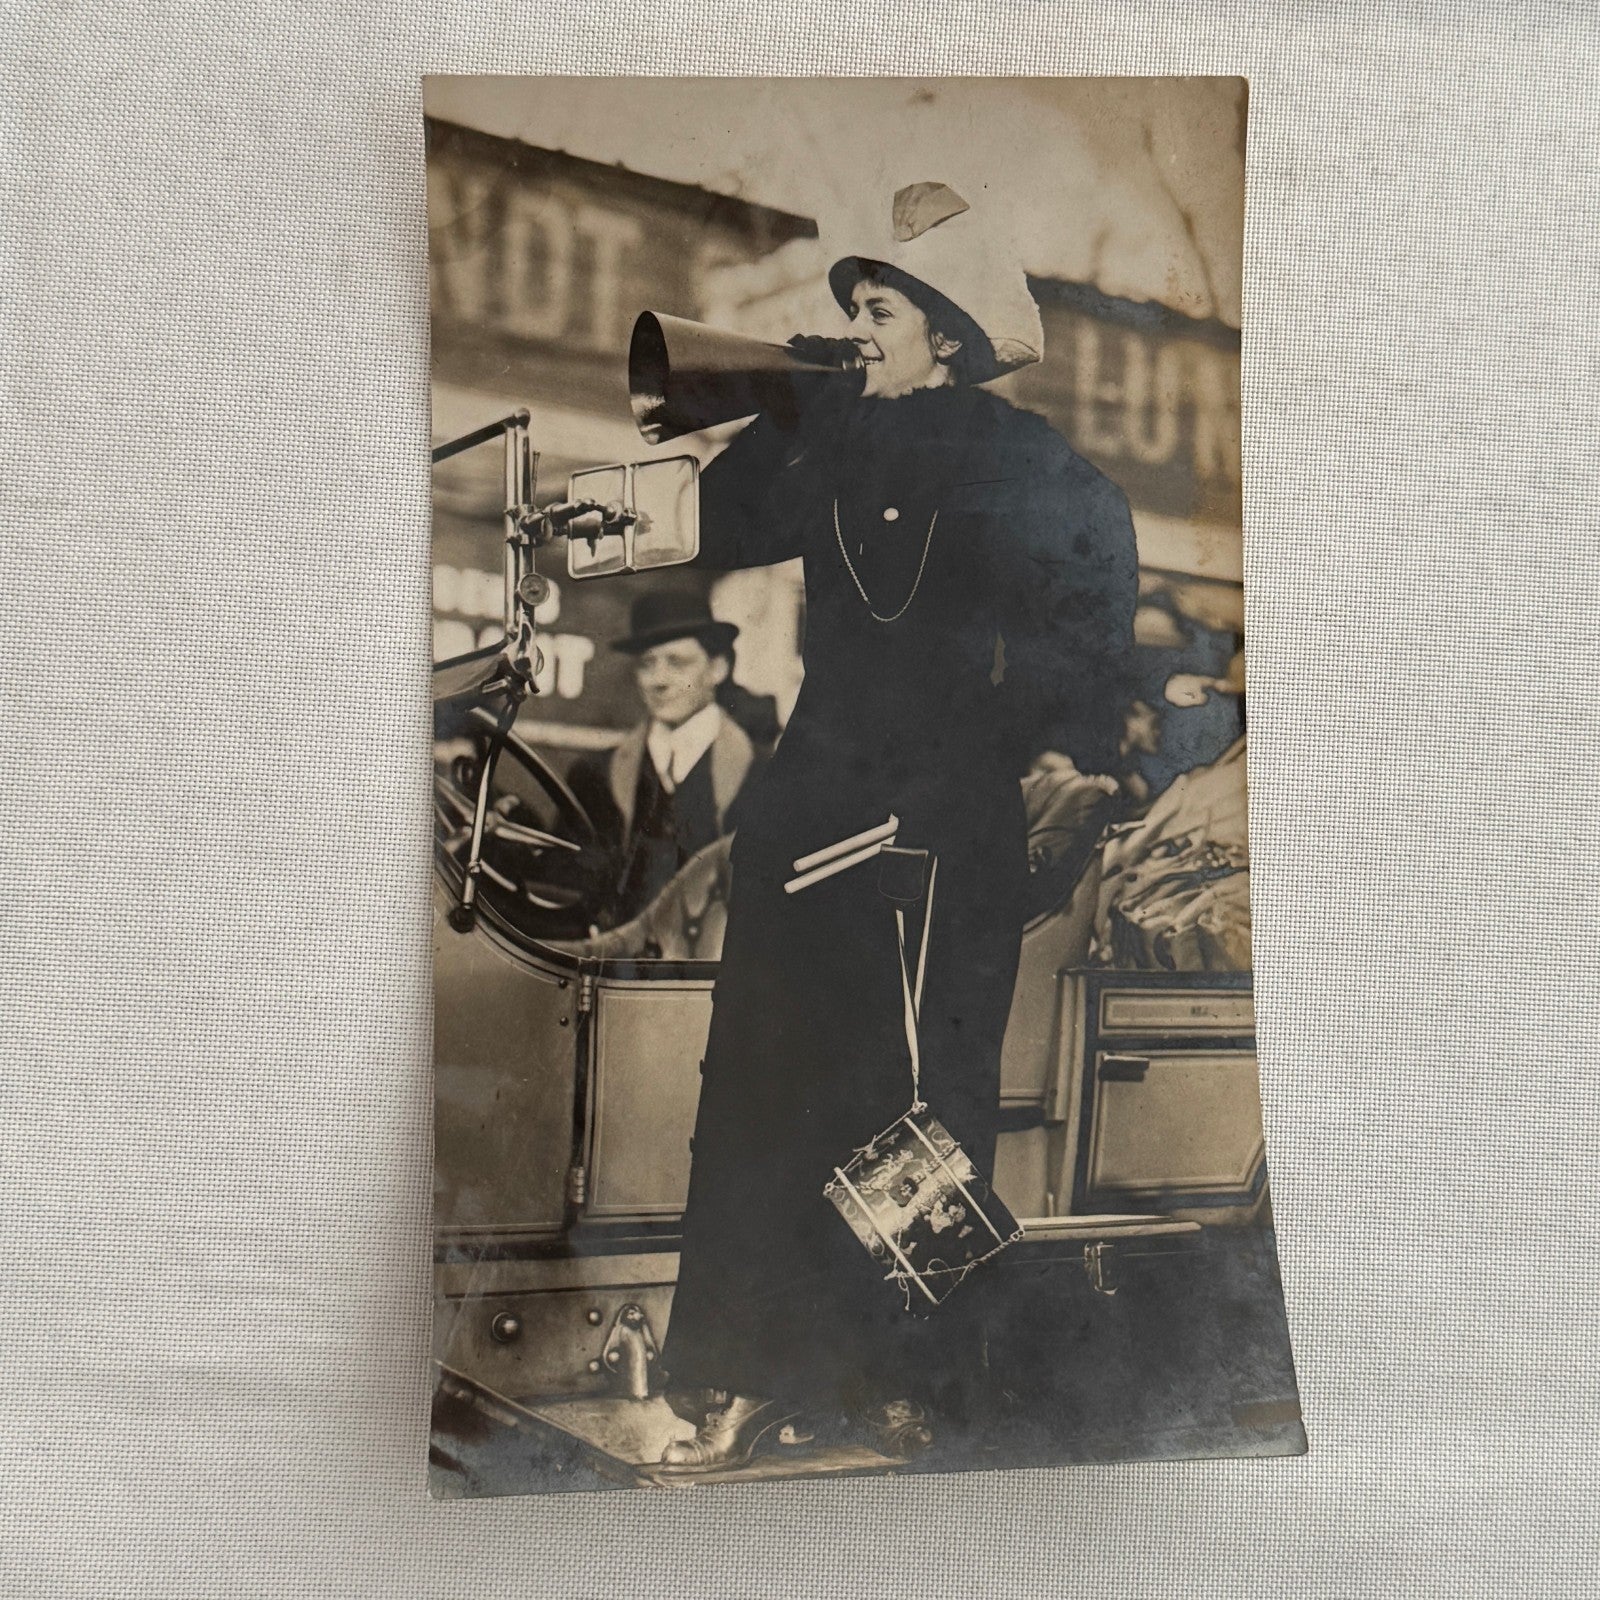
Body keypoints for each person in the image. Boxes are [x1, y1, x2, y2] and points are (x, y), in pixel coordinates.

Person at [654, 180, 1138, 1471]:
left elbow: (1100, 581)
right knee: (769, 1091)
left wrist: (1051, 743)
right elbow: (702, 527)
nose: (858, 330)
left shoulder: (1025, 464)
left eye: (876, 309)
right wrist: (759, 411)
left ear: (946, 328)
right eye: (856, 310)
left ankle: (902, 1385)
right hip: (814, 810)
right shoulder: (822, 435)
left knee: (924, 1110)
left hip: (943, 828)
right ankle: (753, 1380)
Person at [568, 591, 764, 928]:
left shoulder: (763, 776)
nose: (658, 680)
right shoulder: (595, 775)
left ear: (717, 668)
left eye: (677, 662)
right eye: (647, 663)